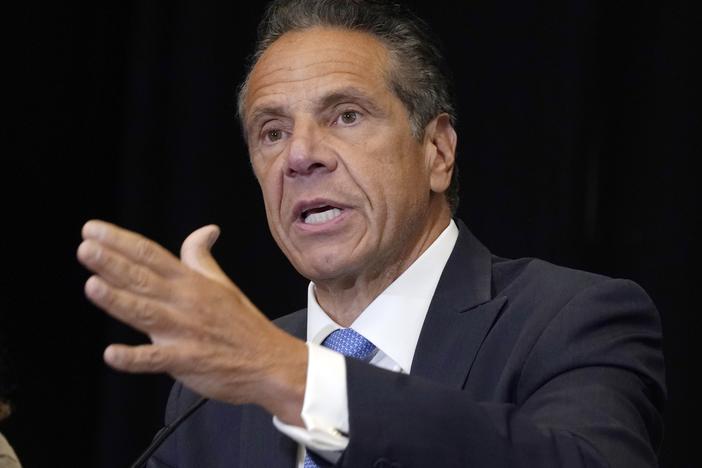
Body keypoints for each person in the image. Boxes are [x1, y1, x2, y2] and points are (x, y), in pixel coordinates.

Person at [77, 0, 665, 466]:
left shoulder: (568, 320)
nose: (300, 156)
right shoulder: (213, 387)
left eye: (346, 116)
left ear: (438, 151)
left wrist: (292, 377)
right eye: (272, 131)